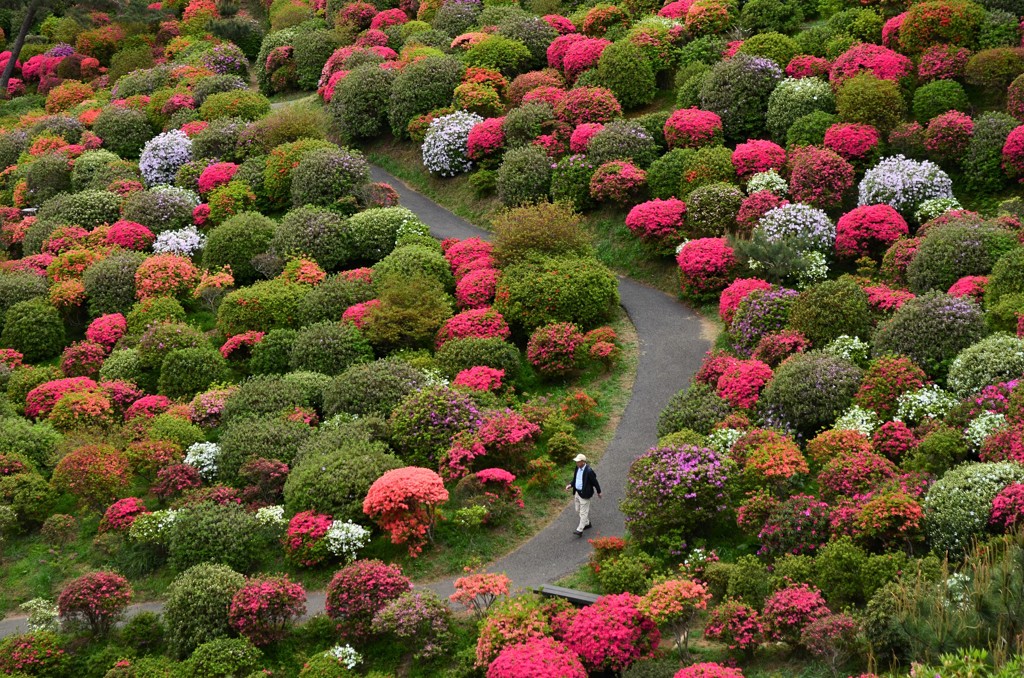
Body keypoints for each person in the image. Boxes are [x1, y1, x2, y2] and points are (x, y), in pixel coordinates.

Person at [565, 453, 601, 537]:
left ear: (583, 462)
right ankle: (587, 523)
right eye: (576, 461)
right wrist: (570, 485)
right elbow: (575, 479)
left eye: (578, 461)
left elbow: (595, 482)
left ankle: (580, 529)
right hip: (577, 492)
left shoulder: (589, 471)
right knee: (578, 510)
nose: (576, 463)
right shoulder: (577, 468)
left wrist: (599, 491)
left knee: (583, 512)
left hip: (585, 494)